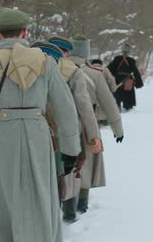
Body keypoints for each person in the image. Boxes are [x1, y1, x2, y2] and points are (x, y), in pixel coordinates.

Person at [0, 8, 80, 242]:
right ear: (25, 32)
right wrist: (71, 150)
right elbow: (66, 109)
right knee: (39, 199)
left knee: (2, 203)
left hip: (1, 138)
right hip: (38, 136)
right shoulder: (46, 62)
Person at [31, 40, 102, 223]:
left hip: (35, 130)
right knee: (69, 172)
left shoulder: (29, 66)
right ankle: (69, 215)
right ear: (66, 54)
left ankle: (44, 215)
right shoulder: (73, 71)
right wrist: (94, 135)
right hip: (68, 129)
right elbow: (84, 106)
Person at [68, 35, 124, 214]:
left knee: (66, 164)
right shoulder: (95, 73)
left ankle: (67, 206)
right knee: (87, 164)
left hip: (60, 125)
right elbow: (109, 104)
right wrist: (118, 130)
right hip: (88, 123)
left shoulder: (58, 68)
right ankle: (82, 204)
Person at [107, 42, 143, 111]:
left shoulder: (117, 59)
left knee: (117, 95)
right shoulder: (131, 61)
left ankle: (117, 107)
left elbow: (109, 69)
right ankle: (128, 108)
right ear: (129, 51)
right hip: (127, 81)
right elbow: (136, 72)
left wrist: (111, 77)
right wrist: (139, 83)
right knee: (128, 94)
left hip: (117, 80)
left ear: (122, 50)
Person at [90, 59, 117, 124]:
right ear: (101, 64)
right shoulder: (105, 70)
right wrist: (113, 88)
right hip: (103, 91)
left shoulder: (89, 69)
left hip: (91, 91)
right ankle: (103, 120)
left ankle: (93, 119)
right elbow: (111, 80)